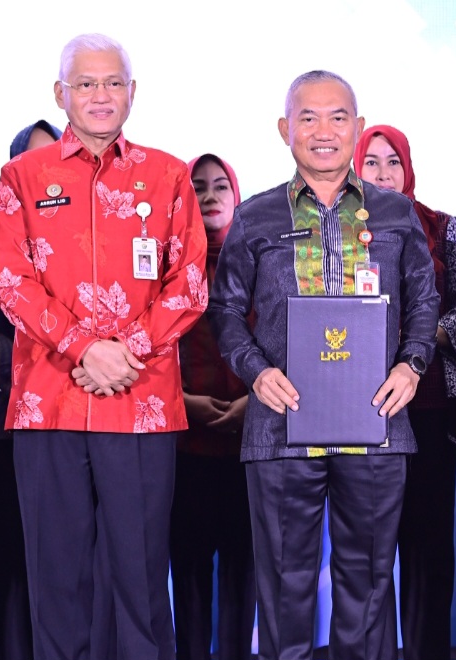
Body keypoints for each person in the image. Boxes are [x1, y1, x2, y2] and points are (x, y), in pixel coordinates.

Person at [207, 70, 439, 660]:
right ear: (285, 129)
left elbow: (424, 299)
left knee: (368, 583)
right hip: (281, 426)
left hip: (376, 423)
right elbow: (225, 309)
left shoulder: (394, 213)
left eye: (337, 118)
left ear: (357, 128)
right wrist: (256, 371)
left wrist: (412, 365)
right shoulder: (256, 216)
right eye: (308, 118)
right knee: (284, 586)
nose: (324, 131)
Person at [0, 33, 207, 660]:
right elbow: (10, 282)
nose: (100, 95)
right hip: (48, 402)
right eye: (85, 83)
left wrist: (124, 350)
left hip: (142, 402)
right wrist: (86, 348)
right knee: (56, 583)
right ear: (61, 93)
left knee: (141, 580)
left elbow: (190, 282)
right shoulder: (21, 176)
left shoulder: (169, 175)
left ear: (132, 93)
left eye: (113, 83)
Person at [354, 125, 456, 660]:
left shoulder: (440, 227)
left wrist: (419, 338)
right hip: (357, 409)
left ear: (408, 169)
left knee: (428, 546)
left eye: (393, 162)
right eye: (372, 162)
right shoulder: (336, 229)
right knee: (367, 550)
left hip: (428, 405)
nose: (384, 173)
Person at [0, 119, 62, 660]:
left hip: (73, 421)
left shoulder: (86, 237)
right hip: (11, 419)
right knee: (4, 561)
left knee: (59, 561)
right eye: (34, 161)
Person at [171, 153, 255, 660]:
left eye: (220, 185)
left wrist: (254, 403)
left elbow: (284, 344)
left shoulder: (259, 263)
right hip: (185, 447)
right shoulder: (166, 270)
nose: (208, 196)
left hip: (251, 446)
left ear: (237, 195)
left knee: (244, 572)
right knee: (188, 571)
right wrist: (182, 404)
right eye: (197, 186)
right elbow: (150, 351)